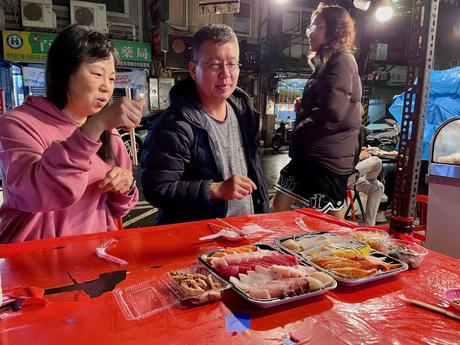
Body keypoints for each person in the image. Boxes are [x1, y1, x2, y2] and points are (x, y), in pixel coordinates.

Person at [0, 25, 144, 243]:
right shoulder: (18, 123)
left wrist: (126, 186)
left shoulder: (107, 131)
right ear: (65, 73)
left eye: (112, 78)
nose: (107, 87)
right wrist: (93, 128)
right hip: (34, 258)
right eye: (97, 74)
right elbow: (39, 195)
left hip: (92, 254)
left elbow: (118, 209)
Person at [141, 24, 269, 225]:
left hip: (244, 231)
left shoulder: (243, 111)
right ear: (193, 70)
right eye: (215, 65)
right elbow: (157, 189)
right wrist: (215, 189)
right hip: (200, 238)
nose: (225, 74)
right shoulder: (175, 124)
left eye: (232, 64)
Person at [273, 3, 361, 217]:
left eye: (316, 27)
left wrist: (299, 131)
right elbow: (329, 105)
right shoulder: (329, 62)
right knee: (279, 207)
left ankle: (346, 249)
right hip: (315, 156)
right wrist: (304, 110)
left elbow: (331, 114)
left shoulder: (341, 61)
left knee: (330, 225)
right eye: (310, 27)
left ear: (334, 30)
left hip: (325, 160)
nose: (310, 33)